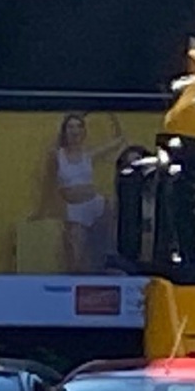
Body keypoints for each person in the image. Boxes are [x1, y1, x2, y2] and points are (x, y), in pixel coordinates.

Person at [52, 112, 124, 273]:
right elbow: (50, 185)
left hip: (95, 204)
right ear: (64, 131)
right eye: (70, 126)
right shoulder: (57, 156)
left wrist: (113, 116)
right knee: (76, 258)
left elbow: (118, 142)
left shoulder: (88, 155)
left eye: (78, 126)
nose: (74, 130)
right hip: (74, 209)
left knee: (102, 247)